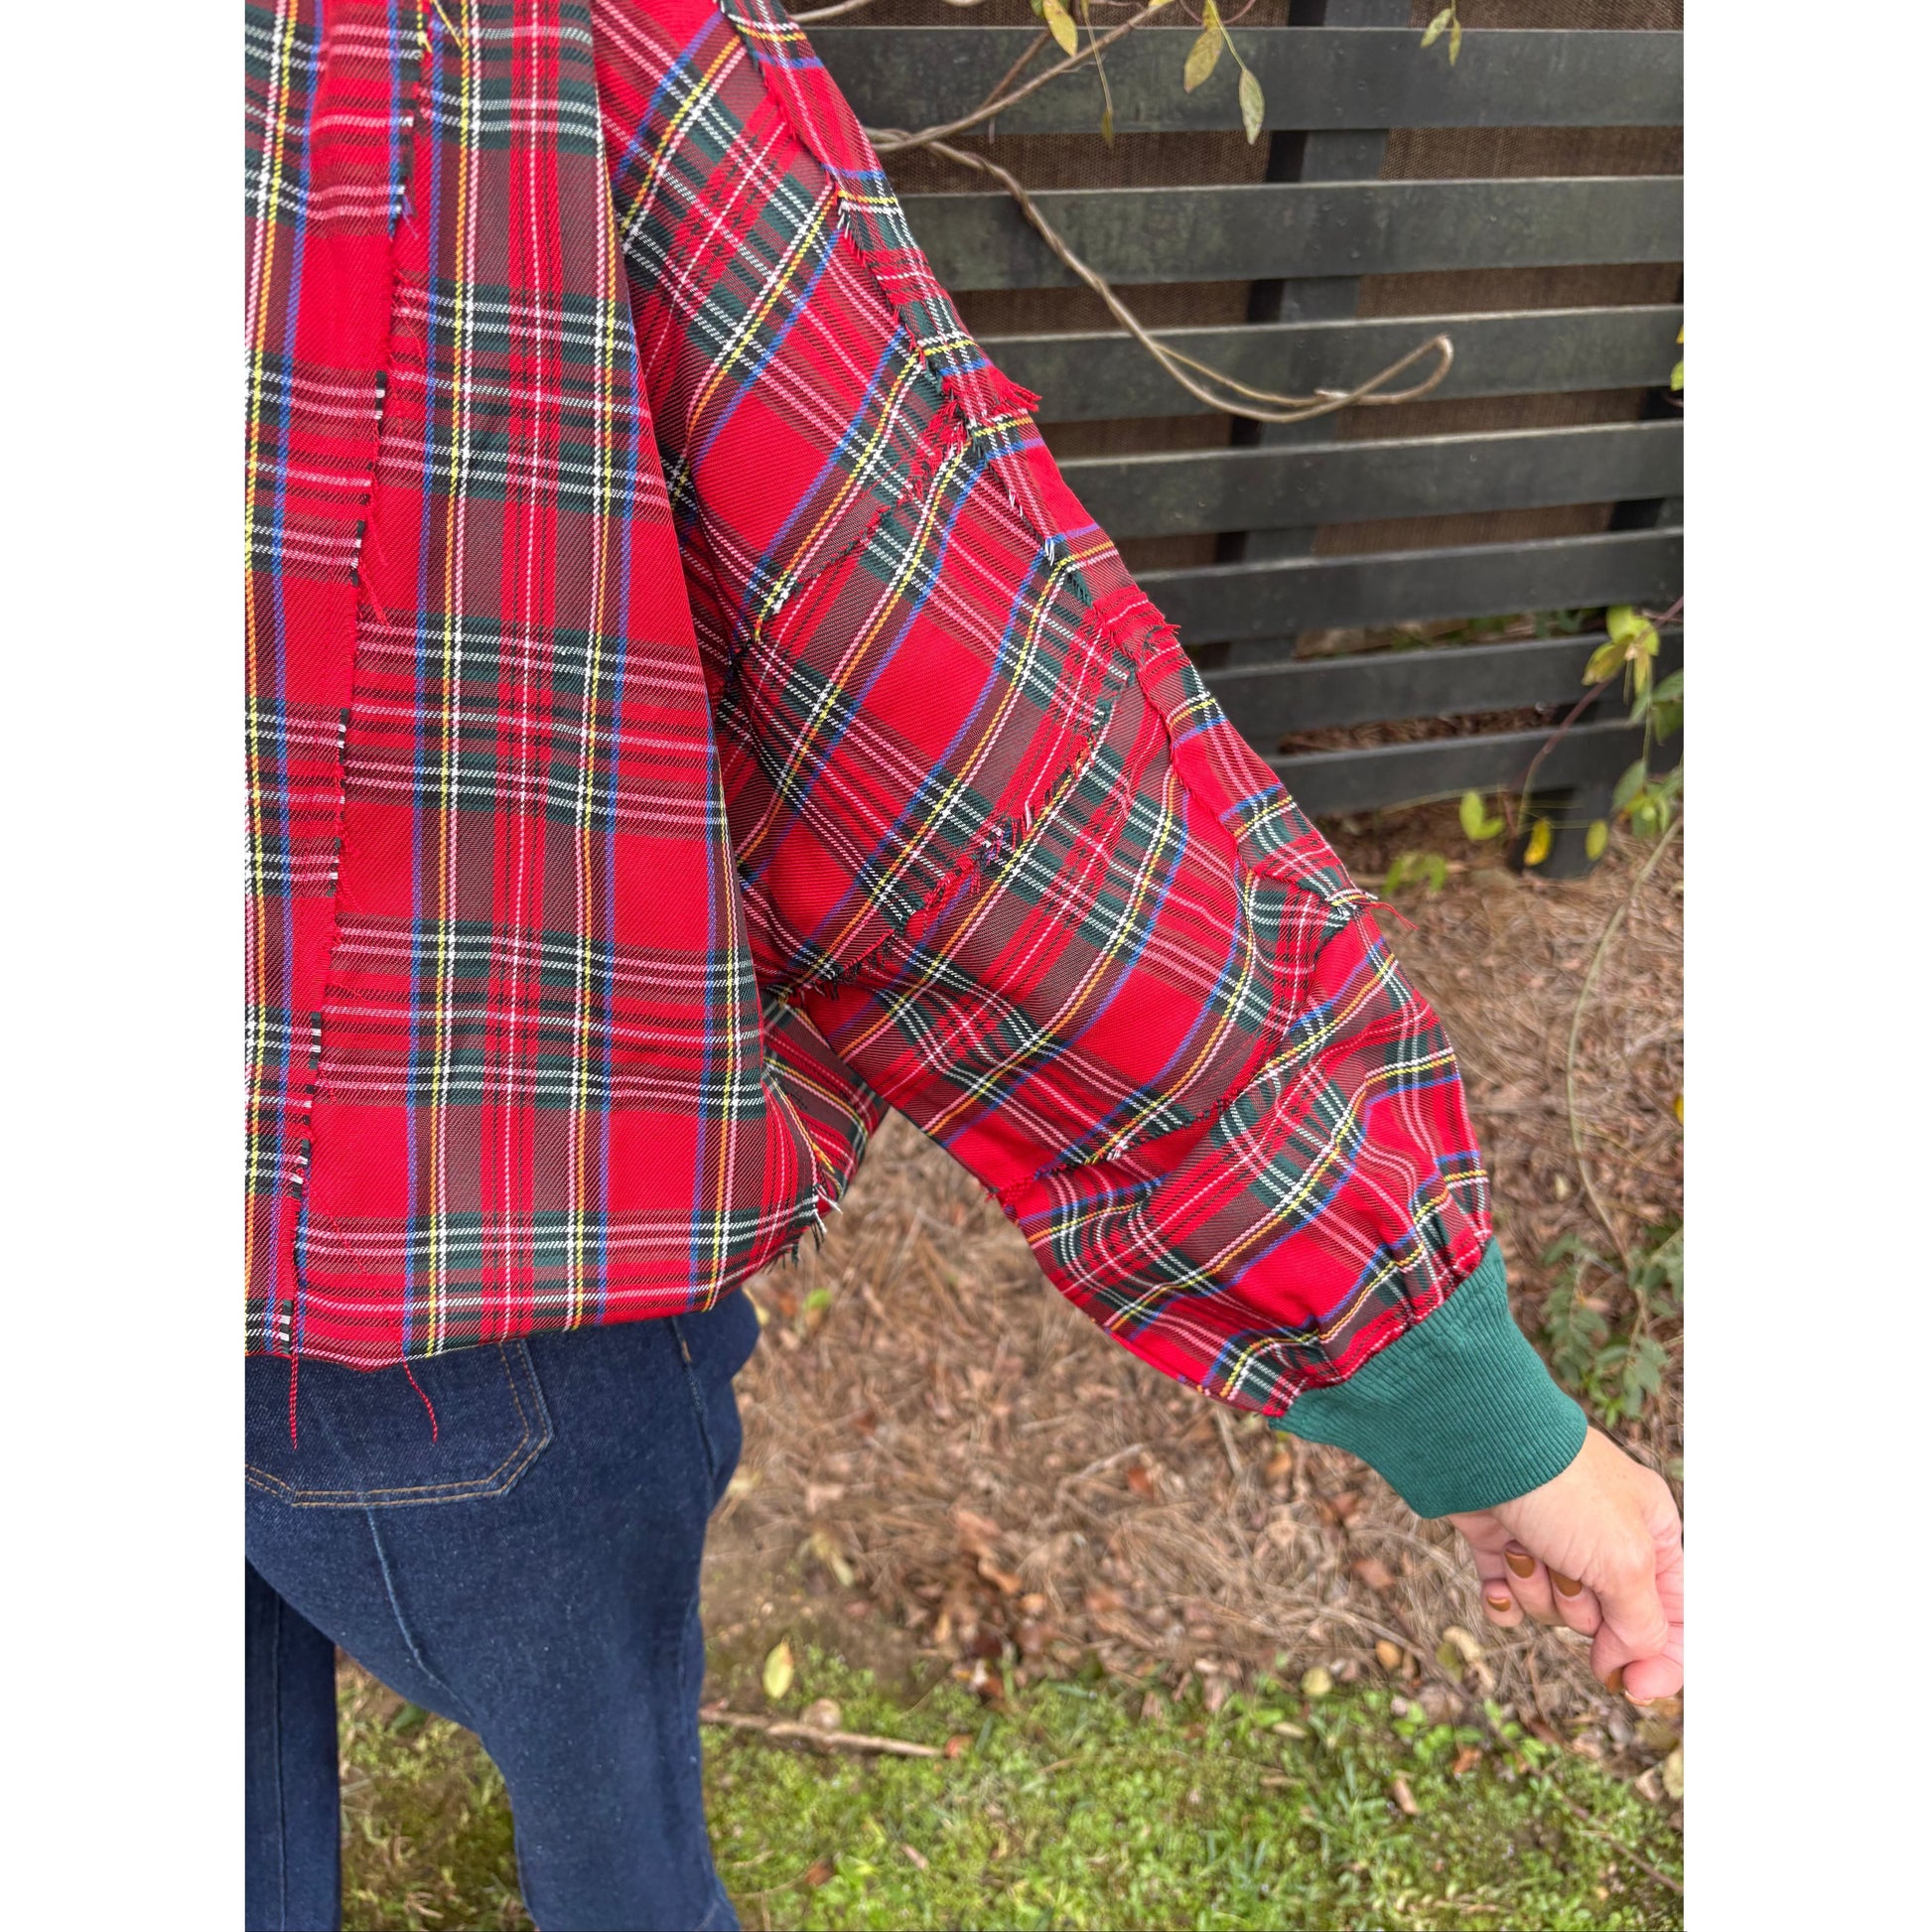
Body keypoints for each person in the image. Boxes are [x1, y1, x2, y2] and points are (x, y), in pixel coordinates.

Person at [243, 1, 1685, 1926]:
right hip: (454, 1316)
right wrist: (1472, 1396)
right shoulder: (491, 44)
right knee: (613, 1822)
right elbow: (978, 775)